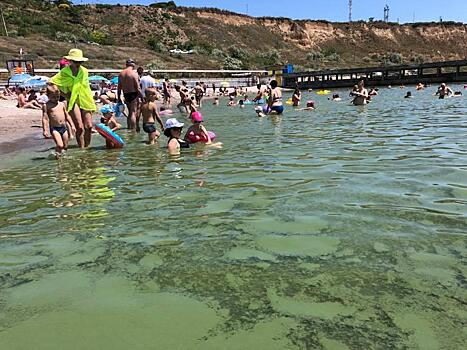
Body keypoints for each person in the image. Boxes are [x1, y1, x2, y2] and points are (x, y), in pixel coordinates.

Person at [49, 48, 97, 148]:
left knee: (89, 126)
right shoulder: (64, 72)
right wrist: (65, 95)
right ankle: (82, 149)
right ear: (70, 61)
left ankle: (87, 149)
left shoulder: (84, 71)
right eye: (76, 61)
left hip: (85, 98)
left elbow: (85, 86)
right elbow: (51, 82)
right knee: (79, 127)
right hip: (73, 100)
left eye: (80, 61)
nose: (78, 63)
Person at [42, 84, 76, 158]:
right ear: (48, 96)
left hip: (63, 127)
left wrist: (72, 125)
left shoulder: (62, 104)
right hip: (54, 128)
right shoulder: (46, 105)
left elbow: (67, 116)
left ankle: (62, 159)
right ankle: (56, 156)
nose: (56, 98)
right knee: (60, 145)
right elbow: (45, 118)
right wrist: (45, 130)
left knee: (66, 146)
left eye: (57, 96)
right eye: (53, 97)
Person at [118, 59, 141, 130]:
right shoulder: (134, 74)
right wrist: (142, 97)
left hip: (126, 94)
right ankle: (133, 130)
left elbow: (119, 88)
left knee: (130, 112)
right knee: (133, 112)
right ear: (133, 65)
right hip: (133, 93)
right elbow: (137, 88)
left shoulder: (121, 74)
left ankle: (128, 128)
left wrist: (119, 98)